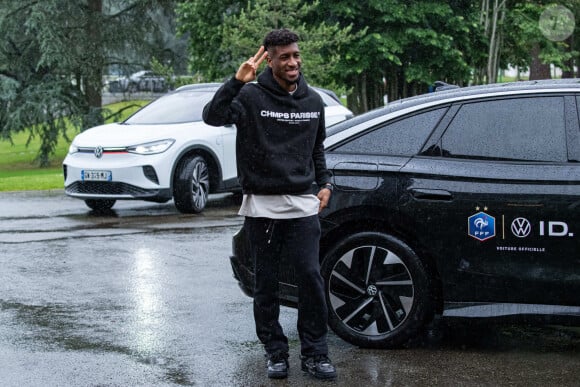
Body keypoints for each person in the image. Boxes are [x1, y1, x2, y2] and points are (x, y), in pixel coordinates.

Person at [202, 29, 336, 380]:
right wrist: (235, 81)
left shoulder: (313, 102)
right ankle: (275, 352)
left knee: (310, 277)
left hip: (303, 204)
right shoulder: (250, 96)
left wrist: (325, 183)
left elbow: (317, 148)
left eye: (295, 55)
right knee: (266, 283)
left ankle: (316, 354)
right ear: (270, 60)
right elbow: (212, 116)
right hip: (261, 206)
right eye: (284, 57)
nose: (292, 62)